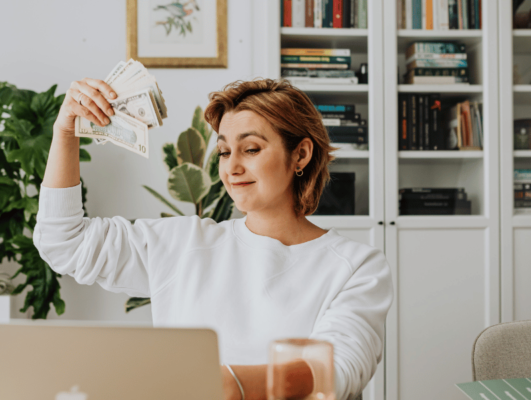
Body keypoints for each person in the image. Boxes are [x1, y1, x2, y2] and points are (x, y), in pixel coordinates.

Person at [34, 77, 393, 400]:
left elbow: (340, 371)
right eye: (223, 151)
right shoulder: (183, 243)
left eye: (250, 149)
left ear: (300, 154)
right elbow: (63, 242)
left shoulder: (356, 266)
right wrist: (65, 135)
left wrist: (229, 383)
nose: (232, 166)